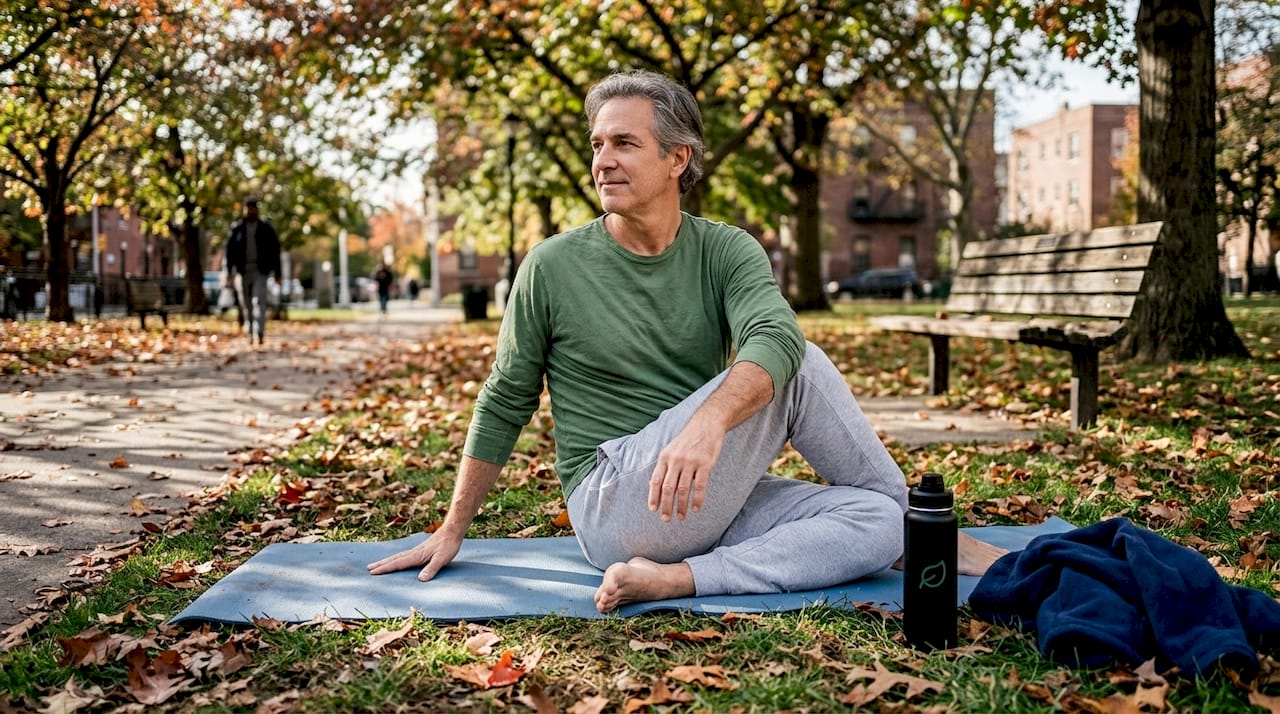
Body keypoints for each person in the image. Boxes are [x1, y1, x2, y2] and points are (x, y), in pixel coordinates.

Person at [368, 70, 1005, 612]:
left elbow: (772, 333)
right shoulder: (552, 266)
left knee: (876, 520)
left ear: (678, 159)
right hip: (615, 500)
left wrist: (706, 426)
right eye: (598, 144)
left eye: (624, 142)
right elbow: (506, 396)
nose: (602, 160)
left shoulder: (726, 249)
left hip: (701, 498)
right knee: (803, 366)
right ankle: (936, 538)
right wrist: (452, 528)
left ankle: (679, 580)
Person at [225, 196, 282, 345]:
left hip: (260, 271)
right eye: (248, 208)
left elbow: (275, 251)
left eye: (253, 208)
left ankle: (260, 331)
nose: (251, 211)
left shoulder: (266, 229)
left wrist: (278, 273)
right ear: (245, 210)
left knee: (260, 301)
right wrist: (229, 272)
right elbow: (229, 252)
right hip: (242, 272)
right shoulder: (237, 229)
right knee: (247, 303)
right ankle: (250, 329)